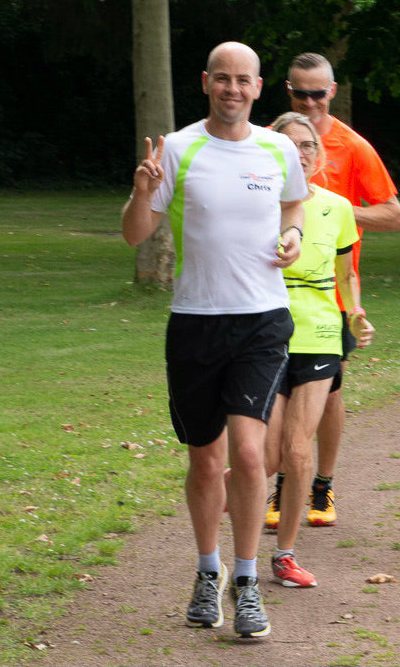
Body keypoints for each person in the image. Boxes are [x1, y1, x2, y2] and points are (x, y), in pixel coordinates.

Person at [121, 42, 307, 639]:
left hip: (262, 321)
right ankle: (208, 570)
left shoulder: (278, 147)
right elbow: (134, 235)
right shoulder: (179, 148)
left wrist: (295, 234)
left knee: (250, 454)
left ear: (258, 89)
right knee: (206, 459)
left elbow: (295, 202)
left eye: (243, 80)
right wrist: (143, 191)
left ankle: (247, 581)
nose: (232, 88)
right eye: (221, 78)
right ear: (206, 83)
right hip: (196, 321)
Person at [274, 52, 400, 531]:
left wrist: (336, 211)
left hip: (333, 293)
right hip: (275, 295)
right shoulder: (273, 140)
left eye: (319, 93)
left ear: (332, 91)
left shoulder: (352, 146)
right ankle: (285, 483)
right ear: (288, 92)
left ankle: (322, 484)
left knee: (327, 394)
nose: (310, 102)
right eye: (300, 93)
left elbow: (392, 214)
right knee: (278, 395)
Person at [262, 113, 373, 589]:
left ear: (318, 153)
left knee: (296, 447)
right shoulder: (256, 205)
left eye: (308, 145)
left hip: (321, 335)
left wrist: (356, 313)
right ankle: (230, 526)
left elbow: (347, 273)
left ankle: (285, 555)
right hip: (264, 334)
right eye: (290, 146)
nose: (301, 153)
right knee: (264, 457)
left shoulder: (338, 207)